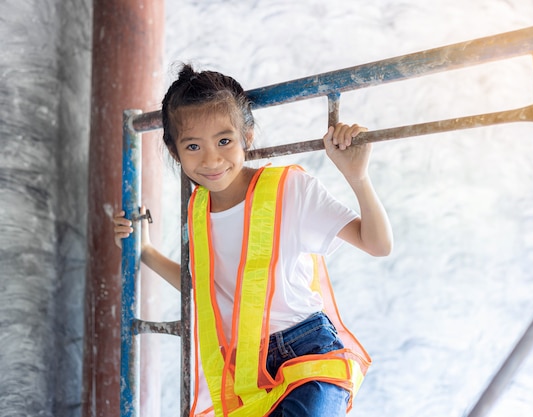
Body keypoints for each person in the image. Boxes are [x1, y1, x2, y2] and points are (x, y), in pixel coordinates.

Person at [113, 64, 393, 417]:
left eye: (224, 141)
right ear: (174, 152)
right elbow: (204, 287)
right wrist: (144, 250)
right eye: (194, 146)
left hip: (308, 352)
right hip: (246, 371)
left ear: (248, 135)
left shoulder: (289, 189)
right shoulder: (198, 208)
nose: (211, 159)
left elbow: (378, 244)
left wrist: (358, 177)